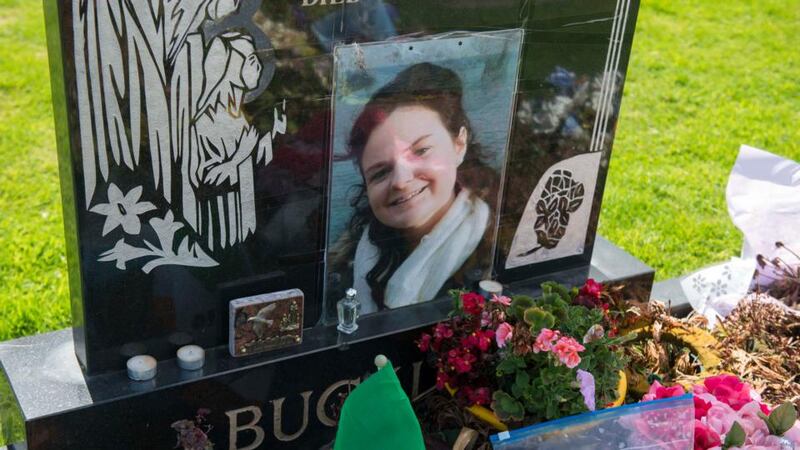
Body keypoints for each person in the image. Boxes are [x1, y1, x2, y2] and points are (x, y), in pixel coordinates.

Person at [330, 62, 499, 315]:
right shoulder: (353, 258)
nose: (400, 180)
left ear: (459, 145)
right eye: (381, 172)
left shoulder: (496, 260)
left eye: (421, 151)